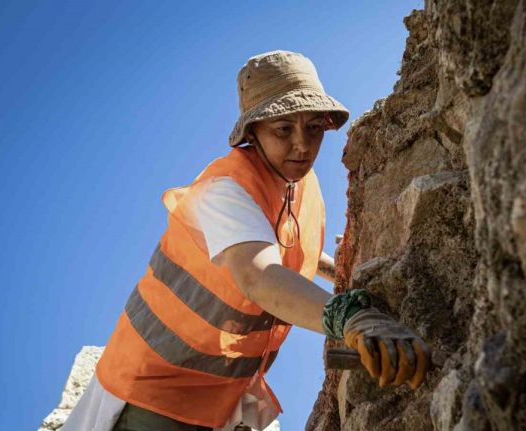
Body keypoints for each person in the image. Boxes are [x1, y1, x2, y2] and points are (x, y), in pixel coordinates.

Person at [61, 50, 430, 431]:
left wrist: (340, 269)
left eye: (314, 128)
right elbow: (259, 276)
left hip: (217, 397)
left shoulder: (298, 186)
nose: (302, 145)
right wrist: (351, 317)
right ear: (252, 131)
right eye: (283, 130)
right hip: (155, 394)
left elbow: (286, 251)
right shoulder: (226, 191)